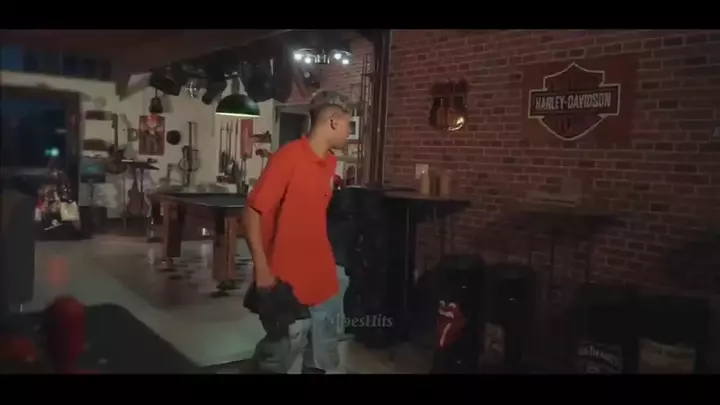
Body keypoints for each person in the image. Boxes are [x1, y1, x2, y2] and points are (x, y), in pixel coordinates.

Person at [243, 90, 353, 374]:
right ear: (333, 122)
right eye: (348, 124)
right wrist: (261, 269)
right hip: (286, 278)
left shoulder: (330, 163)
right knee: (280, 352)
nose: (349, 132)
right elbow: (253, 212)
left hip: (323, 277)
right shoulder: (288, 158)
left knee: (322, 356)